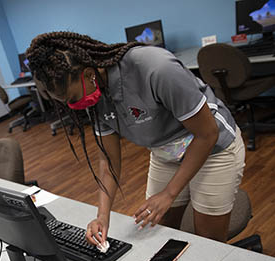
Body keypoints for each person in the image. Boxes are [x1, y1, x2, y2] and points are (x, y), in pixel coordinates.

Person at [25, 32, 245, 245]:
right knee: (159, 228)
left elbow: (207, 134)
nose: (73, 106)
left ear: (89, 74)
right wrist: (102, 216)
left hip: (213, 147)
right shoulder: (95, 92)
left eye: (73, 98)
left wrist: (169, 193)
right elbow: (108, 162)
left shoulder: (156, 68)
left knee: (208, 241)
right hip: (167, 152)